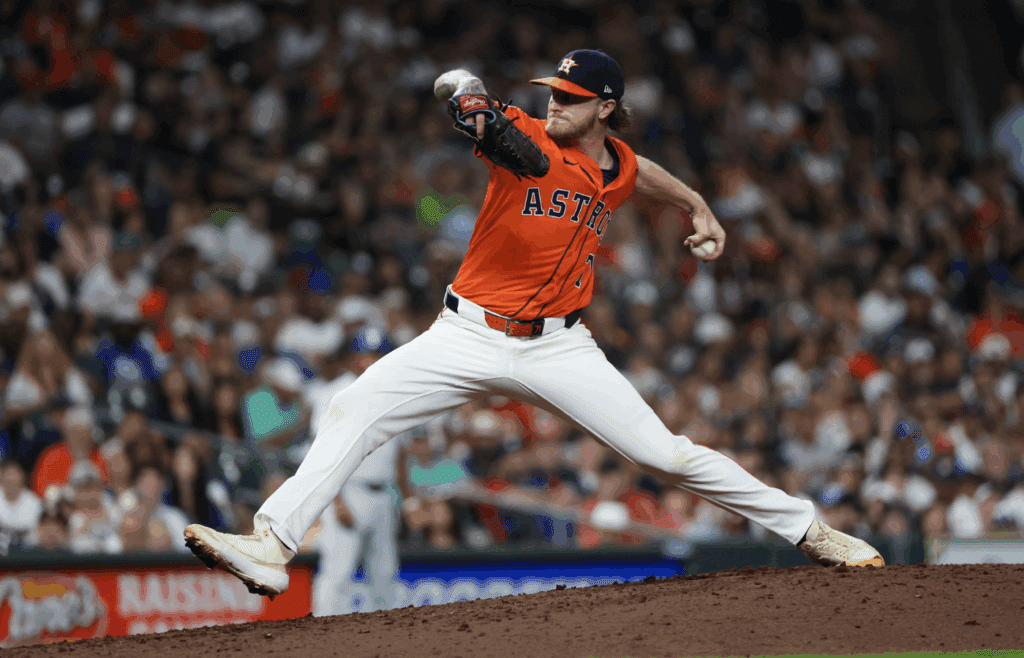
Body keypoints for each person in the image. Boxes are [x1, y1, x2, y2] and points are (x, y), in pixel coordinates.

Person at [184, 49, 884, 598]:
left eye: (572, 97)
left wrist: (695, 203)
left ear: (606, 108)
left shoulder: (615, 165)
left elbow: (638, 172)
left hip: (559, 347)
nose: (556, 101)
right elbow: (471, 106)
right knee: (352, 407)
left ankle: (810, 530)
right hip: (465, 334)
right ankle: (272, 545)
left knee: (665, 456)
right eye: (553, 90)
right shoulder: (522, 131)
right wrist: (466, 97)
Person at [307, 328, 403, 616]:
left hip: (385, 494)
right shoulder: (335, 393)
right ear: (352, 358)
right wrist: (335, 501)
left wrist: (407, 500)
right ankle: (324, 632)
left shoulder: (396, 393)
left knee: (384, 573)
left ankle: (387, 635)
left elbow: (400, 451)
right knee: (338, 572)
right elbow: (320, 452)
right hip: (349, 491)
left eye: (378, 354)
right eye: (366, 354)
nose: (372, 360)